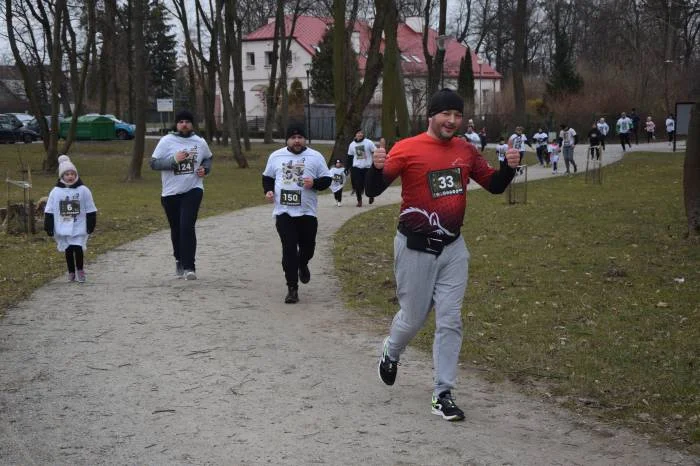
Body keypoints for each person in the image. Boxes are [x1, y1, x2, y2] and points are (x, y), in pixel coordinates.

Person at [365, 89, 520, 422]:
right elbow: (373, 190)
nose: (452, 121)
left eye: (457, 115)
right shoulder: (407, 148)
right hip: (415, 249)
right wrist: (373, 169)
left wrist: (508, 168)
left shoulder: (465, 150)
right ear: (431, 117)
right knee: (414, 317)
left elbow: (492, 185)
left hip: (453, 249)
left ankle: (443, 393)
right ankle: (391, 350)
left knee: (450, 319)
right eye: (445, 114)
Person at [262, 123, 331, 304]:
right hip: (284, 211)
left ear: (305, 139)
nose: (297, 141)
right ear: (287, 140)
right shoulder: (276, 156)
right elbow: (267, 177)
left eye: (300, 137)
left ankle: (303, 263)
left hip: (307, 212)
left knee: (308, 248)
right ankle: (292, 288)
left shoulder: (315, 157)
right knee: (289, 248)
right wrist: (268, 191)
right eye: (293, 138)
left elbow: (327, 180)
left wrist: (314, 183)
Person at [150, 110, 213, 281]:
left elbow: (208, 158)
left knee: (187, 226)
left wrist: (205, 169)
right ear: (176, 125)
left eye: (187, 121)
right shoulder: (166, 141)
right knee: (176, 228)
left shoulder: (199, 142)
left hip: (193, 189)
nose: (184, 124)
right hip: (170, 192)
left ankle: (189, 267)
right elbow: (153, 163)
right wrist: (173, 161)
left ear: (192, 124)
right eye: (181, 121)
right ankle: (179, 259)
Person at [44, 155, 97, 283]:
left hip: (79, 225)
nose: (70, 176)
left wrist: (91, 223)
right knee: (68, 250)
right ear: (62, 176)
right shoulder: (55, 192)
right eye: (67, 174)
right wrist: (49, 225)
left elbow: (90, 208)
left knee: (78, 248)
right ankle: (71, 272)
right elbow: (50, 209)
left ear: (76, 174)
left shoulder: (83, 190)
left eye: (72, 173)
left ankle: (80, 270)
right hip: (62, 226)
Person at [347, 129, 376, 207]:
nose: (360, 135)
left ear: (363, 134)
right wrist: (347, 168)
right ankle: (359, 201)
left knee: (368, 184)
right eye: (358, 133)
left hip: (367, 167)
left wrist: (375, 162)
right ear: (355, 135)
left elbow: (375, 152)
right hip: (356, 167)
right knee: (357, 185)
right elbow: (350, 157)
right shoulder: (352, 144)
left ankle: (371, 196)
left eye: (361, 133)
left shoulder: (368, 142)